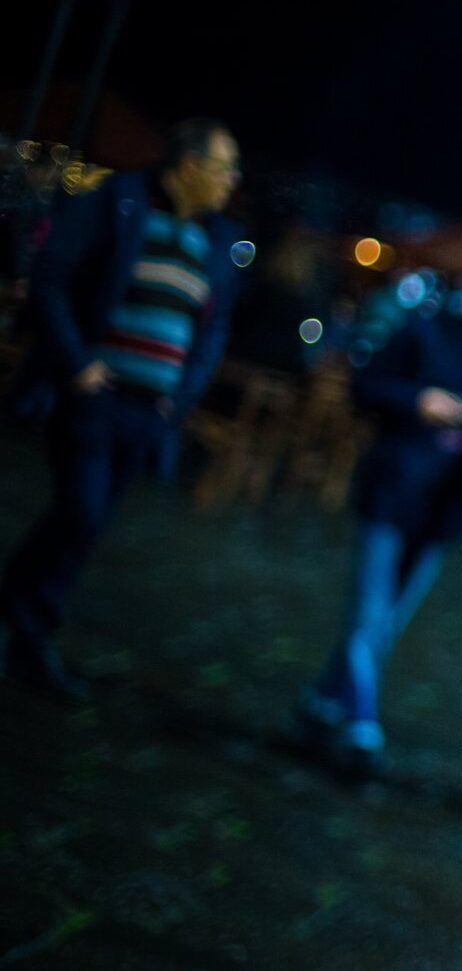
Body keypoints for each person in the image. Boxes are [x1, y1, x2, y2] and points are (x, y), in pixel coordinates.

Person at [0, 119, 245, 702]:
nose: (232, 181)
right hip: (95, 396)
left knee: (89, 525)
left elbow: (210, 331)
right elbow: (53, 274)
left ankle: (27, 631)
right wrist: (79, 364)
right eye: (224, 168)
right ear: (189, 166)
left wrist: (176, 400)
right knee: (79, 512)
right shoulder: (121, 202)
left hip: (146, 409)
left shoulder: (215, 240)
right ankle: (19, 616)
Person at [297, 248, 462, 774]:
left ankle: (323, 699)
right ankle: (362, 723)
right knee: (370, 607)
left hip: (449, 500)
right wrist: (417, 401)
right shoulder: (426, 327)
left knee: (392, 614)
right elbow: (368, 386)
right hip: (393, 485)